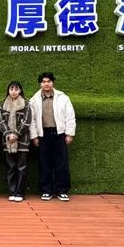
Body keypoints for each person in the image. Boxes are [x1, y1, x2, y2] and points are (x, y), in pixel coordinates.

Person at [30, 72, 76, 202]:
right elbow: (32, 120)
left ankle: (62, 191)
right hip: (43, 134)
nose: (46, 84)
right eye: (44, 82)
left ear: (53, 82)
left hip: (59, 134)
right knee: (45, 163)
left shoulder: (63, 98)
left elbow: (70, 116)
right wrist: (34, 136)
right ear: (40, 84)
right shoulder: (34, 100)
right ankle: (46, 191)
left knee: (61, 163)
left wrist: (69, 133)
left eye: (49, 81)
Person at [0, 81, 32, 202]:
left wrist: (16, 135)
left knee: (21, 167)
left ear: (20, 91)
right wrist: (8, 134)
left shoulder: (26, 104)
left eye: (16, 89)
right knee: (10, 167)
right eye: (11, 89)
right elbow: (1, 122)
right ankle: (12, 192)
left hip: (22, 140)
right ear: (8, 90)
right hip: (8, 142)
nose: (13, 92)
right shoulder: (2, 105)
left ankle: (20, 193)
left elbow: (27, 122)